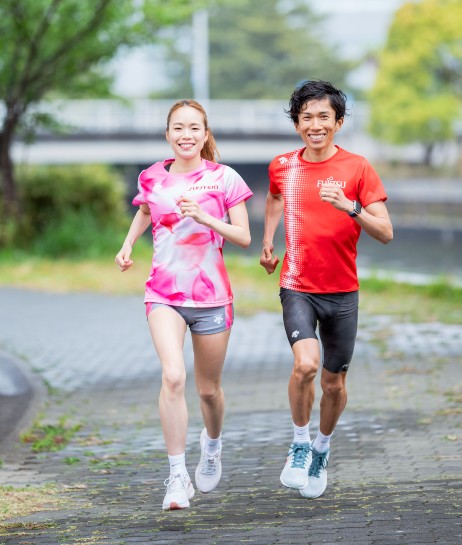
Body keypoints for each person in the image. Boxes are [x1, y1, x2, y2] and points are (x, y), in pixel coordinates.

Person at [115, 100, 253, 511]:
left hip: (213, 299)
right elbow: (144, 209)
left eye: (194, 128)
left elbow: (244, 236)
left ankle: (211, 446)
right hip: (164, 294)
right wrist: (126, 245)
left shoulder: (224, 178)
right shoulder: (152, 176)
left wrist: (206, 218)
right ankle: (177, 477)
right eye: (178, 128)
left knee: (208, 391)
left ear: (205, 134)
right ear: (168, 134)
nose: (186, 135)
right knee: (173, 377)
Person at [260, 80, 393, 500]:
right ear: (297, 123)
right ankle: (299, 443)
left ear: (338, 122)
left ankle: (321, 447)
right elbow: (274, 199)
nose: (314, 125)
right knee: (305, 367)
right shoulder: (283, 165)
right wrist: (268, 241)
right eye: (306, 117)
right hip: (297, 284)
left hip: (343, 293)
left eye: (323, 117)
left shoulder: (358, 168)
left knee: (333, 384)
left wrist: (350, 208)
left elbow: (386, 232)